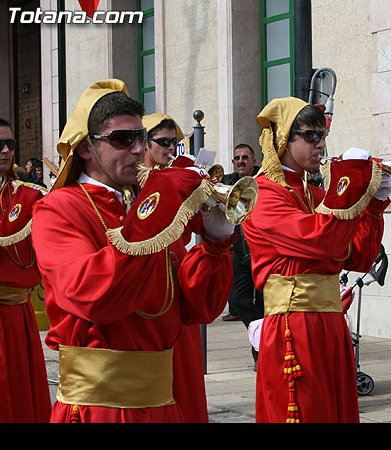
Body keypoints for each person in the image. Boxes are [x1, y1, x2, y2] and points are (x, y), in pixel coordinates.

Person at [31, 80, 235, 423]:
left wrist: (216, 242)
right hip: (100, 409)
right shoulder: (57, 209)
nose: (139, 150)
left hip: (163, 405)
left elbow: (199, 308)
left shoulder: (146, 209)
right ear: (85, 148)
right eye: (123, 139)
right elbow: (94, 295)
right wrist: (160, 205)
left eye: (140, 138)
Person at [242, 97, 391, 423]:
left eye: (322, 135)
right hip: (294, 324)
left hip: (329, 322)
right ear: (284, 139)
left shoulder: (314, 194)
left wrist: (373, 202)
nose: (321, 144)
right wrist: (350, 183)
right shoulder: (262, 193)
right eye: (311, 136)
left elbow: (359, 256)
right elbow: (319, 240)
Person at [141, 112, 209, 422]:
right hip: (149, 276)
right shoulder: (137, 180)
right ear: (144, 143)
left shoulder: (176, 173)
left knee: (187, 369)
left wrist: (203, 191)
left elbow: (197, 225)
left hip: (178, 268)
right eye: (164, 142)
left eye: (175, 142)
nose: (170, 148)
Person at [0, 118, 51, 423]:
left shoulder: (27, 194)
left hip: (18, 314)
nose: (5, 151)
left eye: (10, 144)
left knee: (20, 395)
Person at [222, 143, 263, 365]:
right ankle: (262, 335)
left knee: (265, 305)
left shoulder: (263, 180)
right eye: (237, 158)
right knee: (238, 300)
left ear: (253, 161)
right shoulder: (228, 181)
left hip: (261, 255)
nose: (240, 161)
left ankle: (261, 355)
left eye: (245, 157)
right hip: (240, 254)